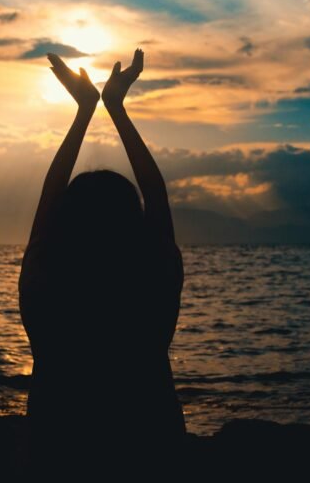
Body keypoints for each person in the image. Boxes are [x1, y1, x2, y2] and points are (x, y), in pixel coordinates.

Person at [18, 49, 185, 475]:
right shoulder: (153, 282)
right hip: (150, 445)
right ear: (134, 223)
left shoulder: (46, 284)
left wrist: (85, 112)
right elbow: (157, 194)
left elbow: (48, 200)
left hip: (58, 448)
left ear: (65, 224)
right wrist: (115, 108)